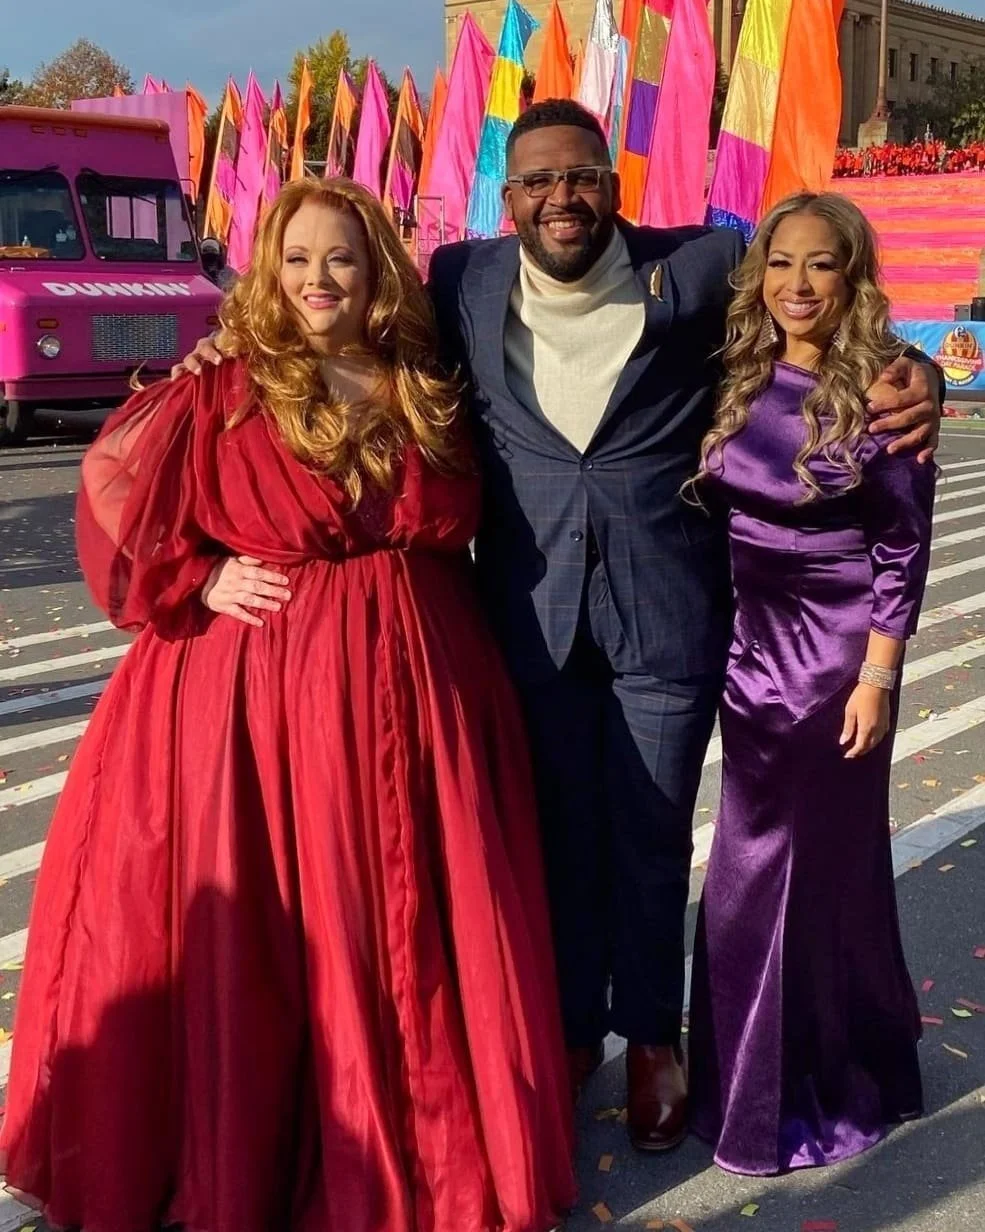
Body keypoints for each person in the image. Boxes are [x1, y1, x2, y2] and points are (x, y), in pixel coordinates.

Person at [176, 99, 942, 1153]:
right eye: (537, 181)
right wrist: (204, 353)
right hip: (525, 620)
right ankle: (574, 1024)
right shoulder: (462, 280)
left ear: (612, 183)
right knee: (554, 834)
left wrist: (921, 372)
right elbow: (325, 317)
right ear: (510, 196)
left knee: (651, 833)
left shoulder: (704, 266)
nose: (560, 197)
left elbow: (815, 302)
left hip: (668, 617)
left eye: (579, 175)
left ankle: (653, 1038)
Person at [0, 178, 575, 1232]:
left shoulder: (421, 378)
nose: (319, 279)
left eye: (341, 259)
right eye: (299, 258)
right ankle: (275, 1151)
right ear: (269, 268)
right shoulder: (222, 382)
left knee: (393, 921)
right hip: (260, 697)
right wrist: (201, 577)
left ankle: (413, 1145)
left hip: (419, 683)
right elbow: (113, 484)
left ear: (377, 272)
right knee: (278, 932)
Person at [687, 192, 934, 1174]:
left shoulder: (882, 389)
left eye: (820, 265)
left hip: (835, 655)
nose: (796, 283)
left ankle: (803, 1093)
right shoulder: (739, 373)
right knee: (755, 869)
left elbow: (900, 547)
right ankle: (748, 1076)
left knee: (794, 870)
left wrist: (877, 676)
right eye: (780, 262)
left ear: (851, 275)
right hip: (751, 646)